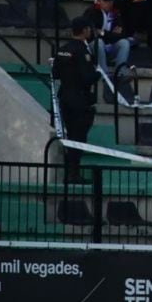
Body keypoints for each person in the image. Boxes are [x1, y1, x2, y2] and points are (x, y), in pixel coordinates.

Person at [51, 18, 99, 182]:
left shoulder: (62, 49)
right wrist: (97, 74)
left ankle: (70, 171)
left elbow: (55, 73)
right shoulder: (82, 51)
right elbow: (87, 78)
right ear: (85, 31)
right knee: (78, 137)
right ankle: (73, 173)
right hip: (79, 98)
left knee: (70, 134)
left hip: (65, 96)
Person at [83, 0, 133, 80]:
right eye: (106, 1)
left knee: (124, 43)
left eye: (110, 1)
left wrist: (103, 33)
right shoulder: (91, 12)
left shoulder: (116, 13)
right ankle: (104, 74)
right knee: (99, 42)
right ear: (98, 1)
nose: (109, 4)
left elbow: (122, 34)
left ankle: (120, 72)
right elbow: (92, 34)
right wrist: (111, 34)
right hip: (93, 47)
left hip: (110, 46)